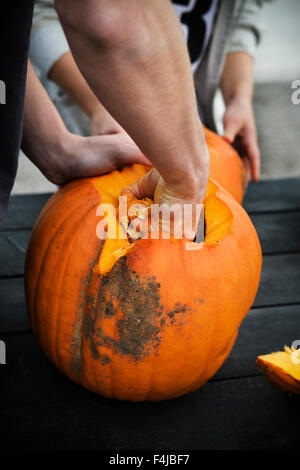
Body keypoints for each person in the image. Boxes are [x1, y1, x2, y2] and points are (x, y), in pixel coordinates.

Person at [30, 0, 268, 184]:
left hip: (194, 120)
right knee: (101, 211)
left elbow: (243, 10)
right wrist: (99, 107)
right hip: (104, 122)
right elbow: (39, 12)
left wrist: (238, 98)